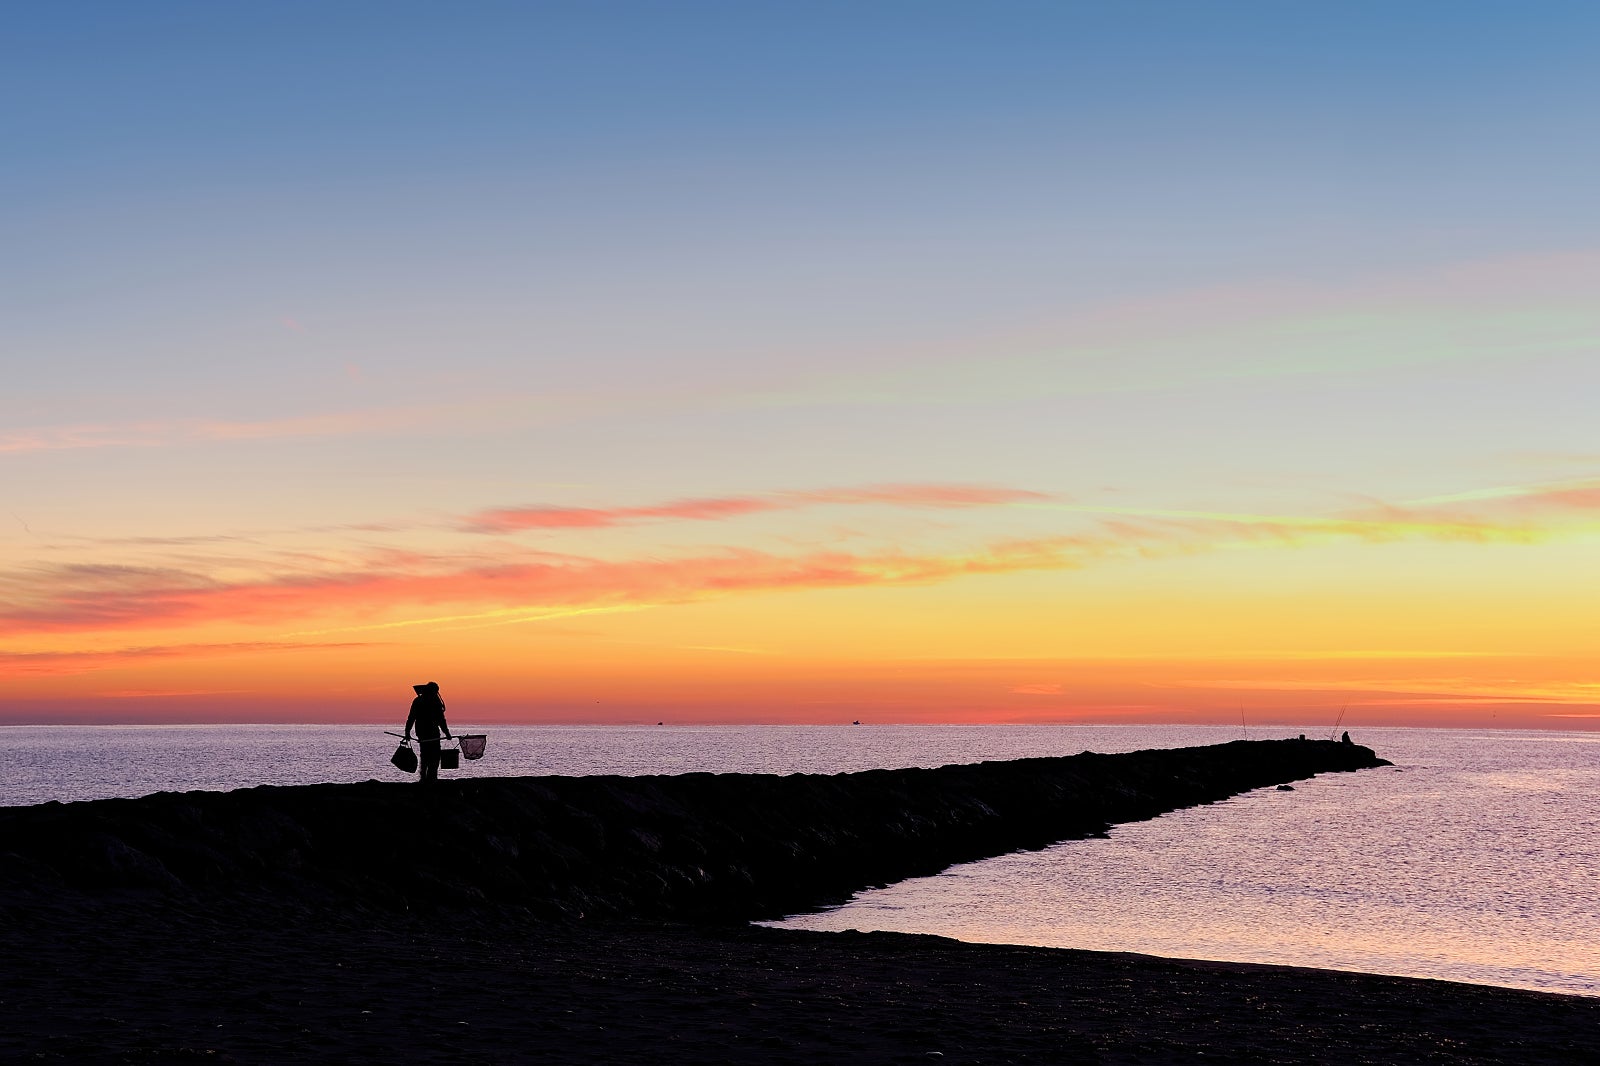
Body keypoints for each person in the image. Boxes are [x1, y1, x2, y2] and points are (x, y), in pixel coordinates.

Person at [403, 681, 452, 783]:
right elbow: (441, 720)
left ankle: (427, 778)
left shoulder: (419, 701)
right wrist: (446, 733)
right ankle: (429, 778)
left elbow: (411, 718)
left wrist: (407, 732)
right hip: (428, 732)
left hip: (425, 732)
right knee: (432, 755)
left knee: (427, 755)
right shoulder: (433, 701)